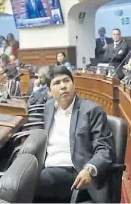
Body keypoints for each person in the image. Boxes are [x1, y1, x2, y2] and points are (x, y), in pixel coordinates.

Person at [34, 66, 115, 203]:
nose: (63, 86)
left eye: (66, 81)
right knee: (10, 177)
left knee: (25, 184)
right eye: (57, 83)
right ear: (49, 91)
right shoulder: (49, 107)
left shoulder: (91, 110)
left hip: (76, 171)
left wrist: (89, 169)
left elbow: (105, 149)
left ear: (73, 84)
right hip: (48, 167)